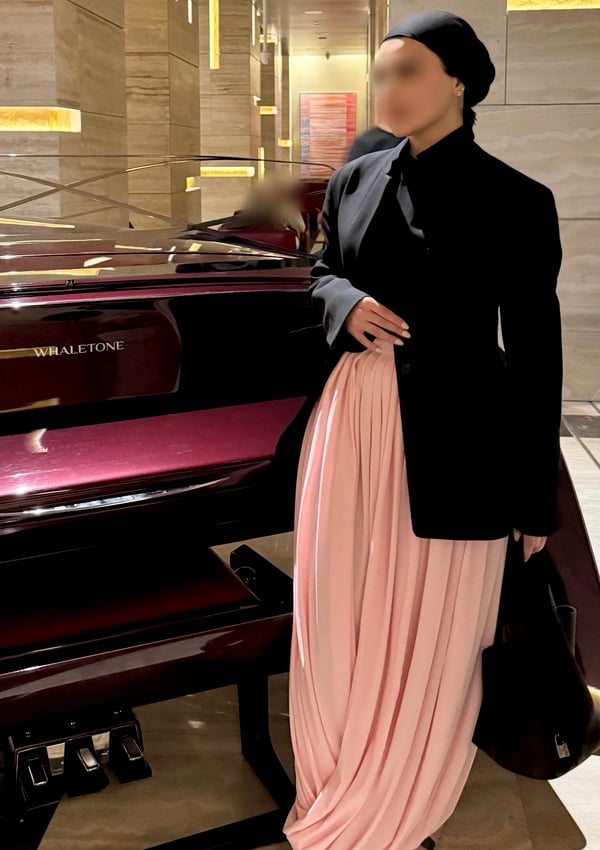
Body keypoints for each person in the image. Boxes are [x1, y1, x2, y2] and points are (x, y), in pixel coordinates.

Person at [279, 9, 563, 850]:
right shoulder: (354, 179)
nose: (388, 89)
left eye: (408, 71)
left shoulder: (519, 200)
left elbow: (537, 360)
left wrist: (534, 501)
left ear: (459, 82)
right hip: (352, 424)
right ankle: (333, 782)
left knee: (435, 630)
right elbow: (321, 270)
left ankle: (392, 807)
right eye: (380, 74)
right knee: (337, 607)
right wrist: (343, 302)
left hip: (460, 441)